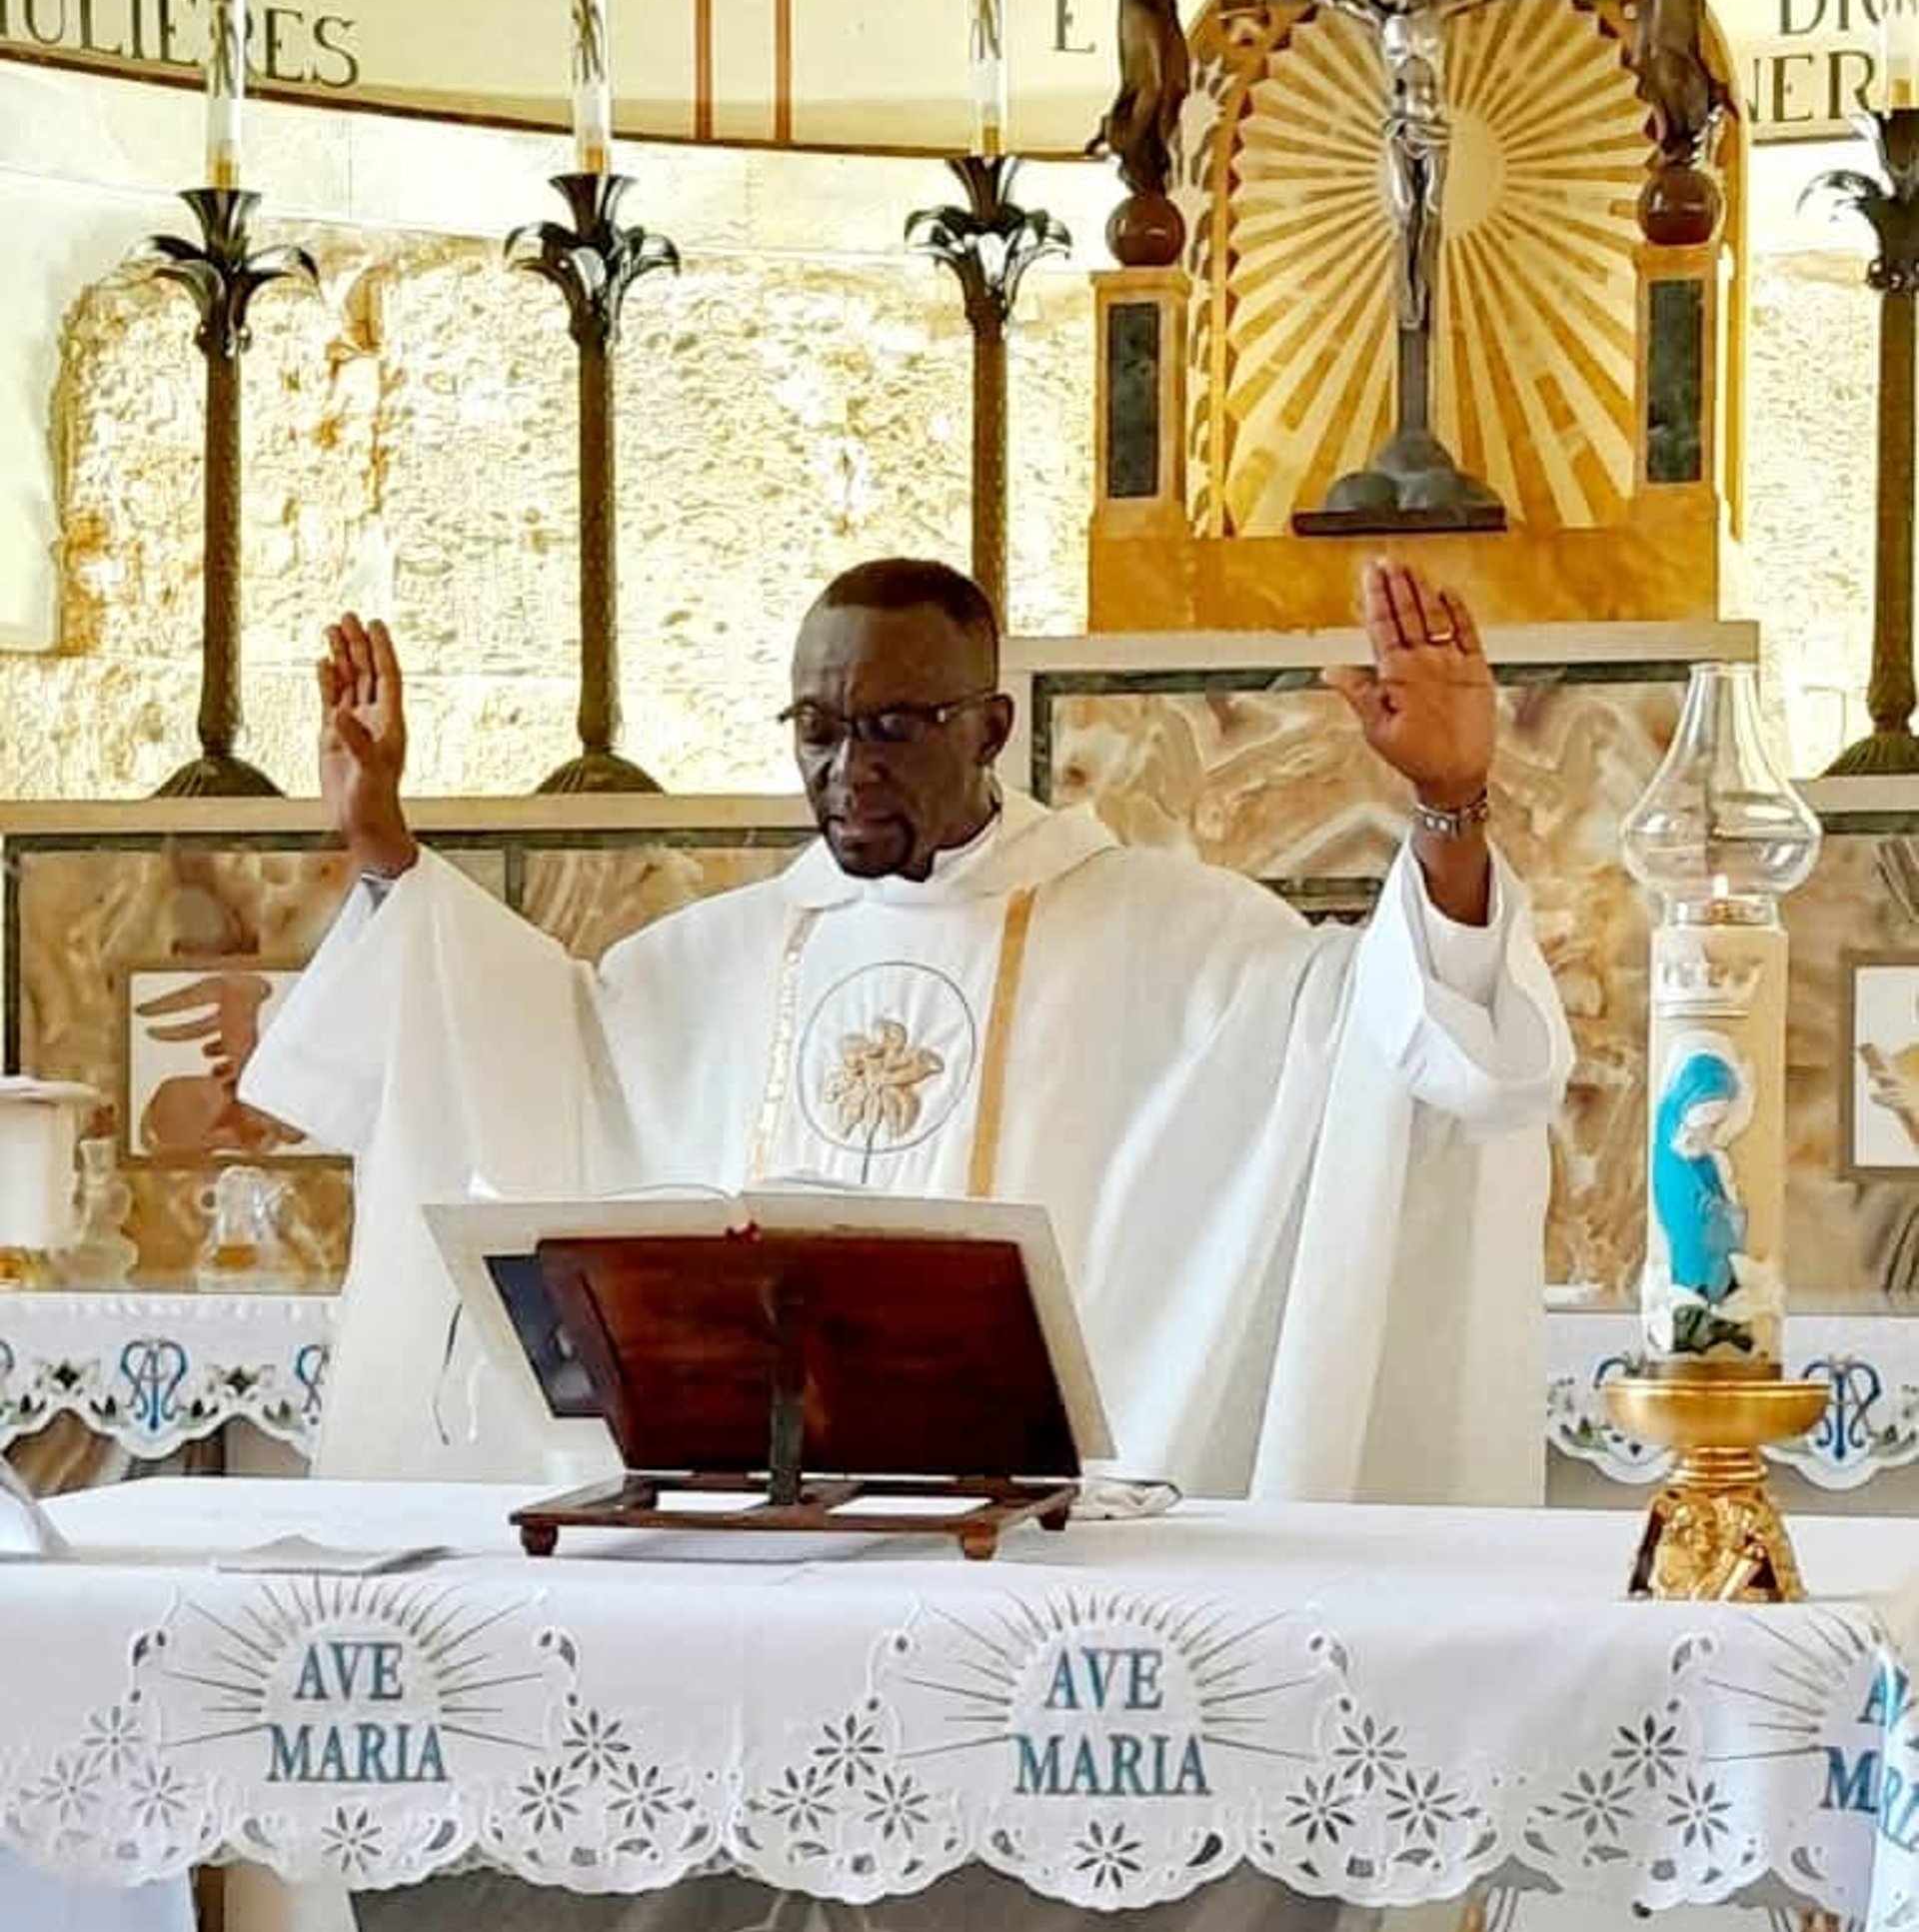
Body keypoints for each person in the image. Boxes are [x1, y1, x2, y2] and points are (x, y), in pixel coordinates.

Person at [243, 553, 1571, 1508]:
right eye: (816, 729)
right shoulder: (724, 954)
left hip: (1051, 1576)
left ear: (992, 726)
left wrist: (1452, 808)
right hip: (753, 1558)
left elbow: (1398, 1037)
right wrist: (384, 850)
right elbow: (529, 1052)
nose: (846, 765)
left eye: (891, 726)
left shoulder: (1170, 934)